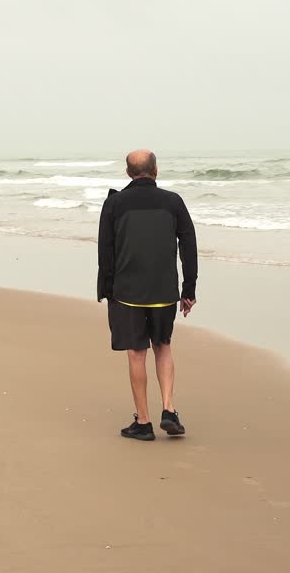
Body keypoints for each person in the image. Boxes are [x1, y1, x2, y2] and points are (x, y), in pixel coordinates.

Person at [97, 149, 198, 441]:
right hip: (165, 289)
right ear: (155, 170)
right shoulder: (172, 201)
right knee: (163, 346)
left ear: (128, 173)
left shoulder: (115, 203)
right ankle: (169, 409)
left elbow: (106, 250)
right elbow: (188, 245)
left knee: (136, 352)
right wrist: (188, 290)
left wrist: (105, 289)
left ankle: (143, 422)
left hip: (127, 291)